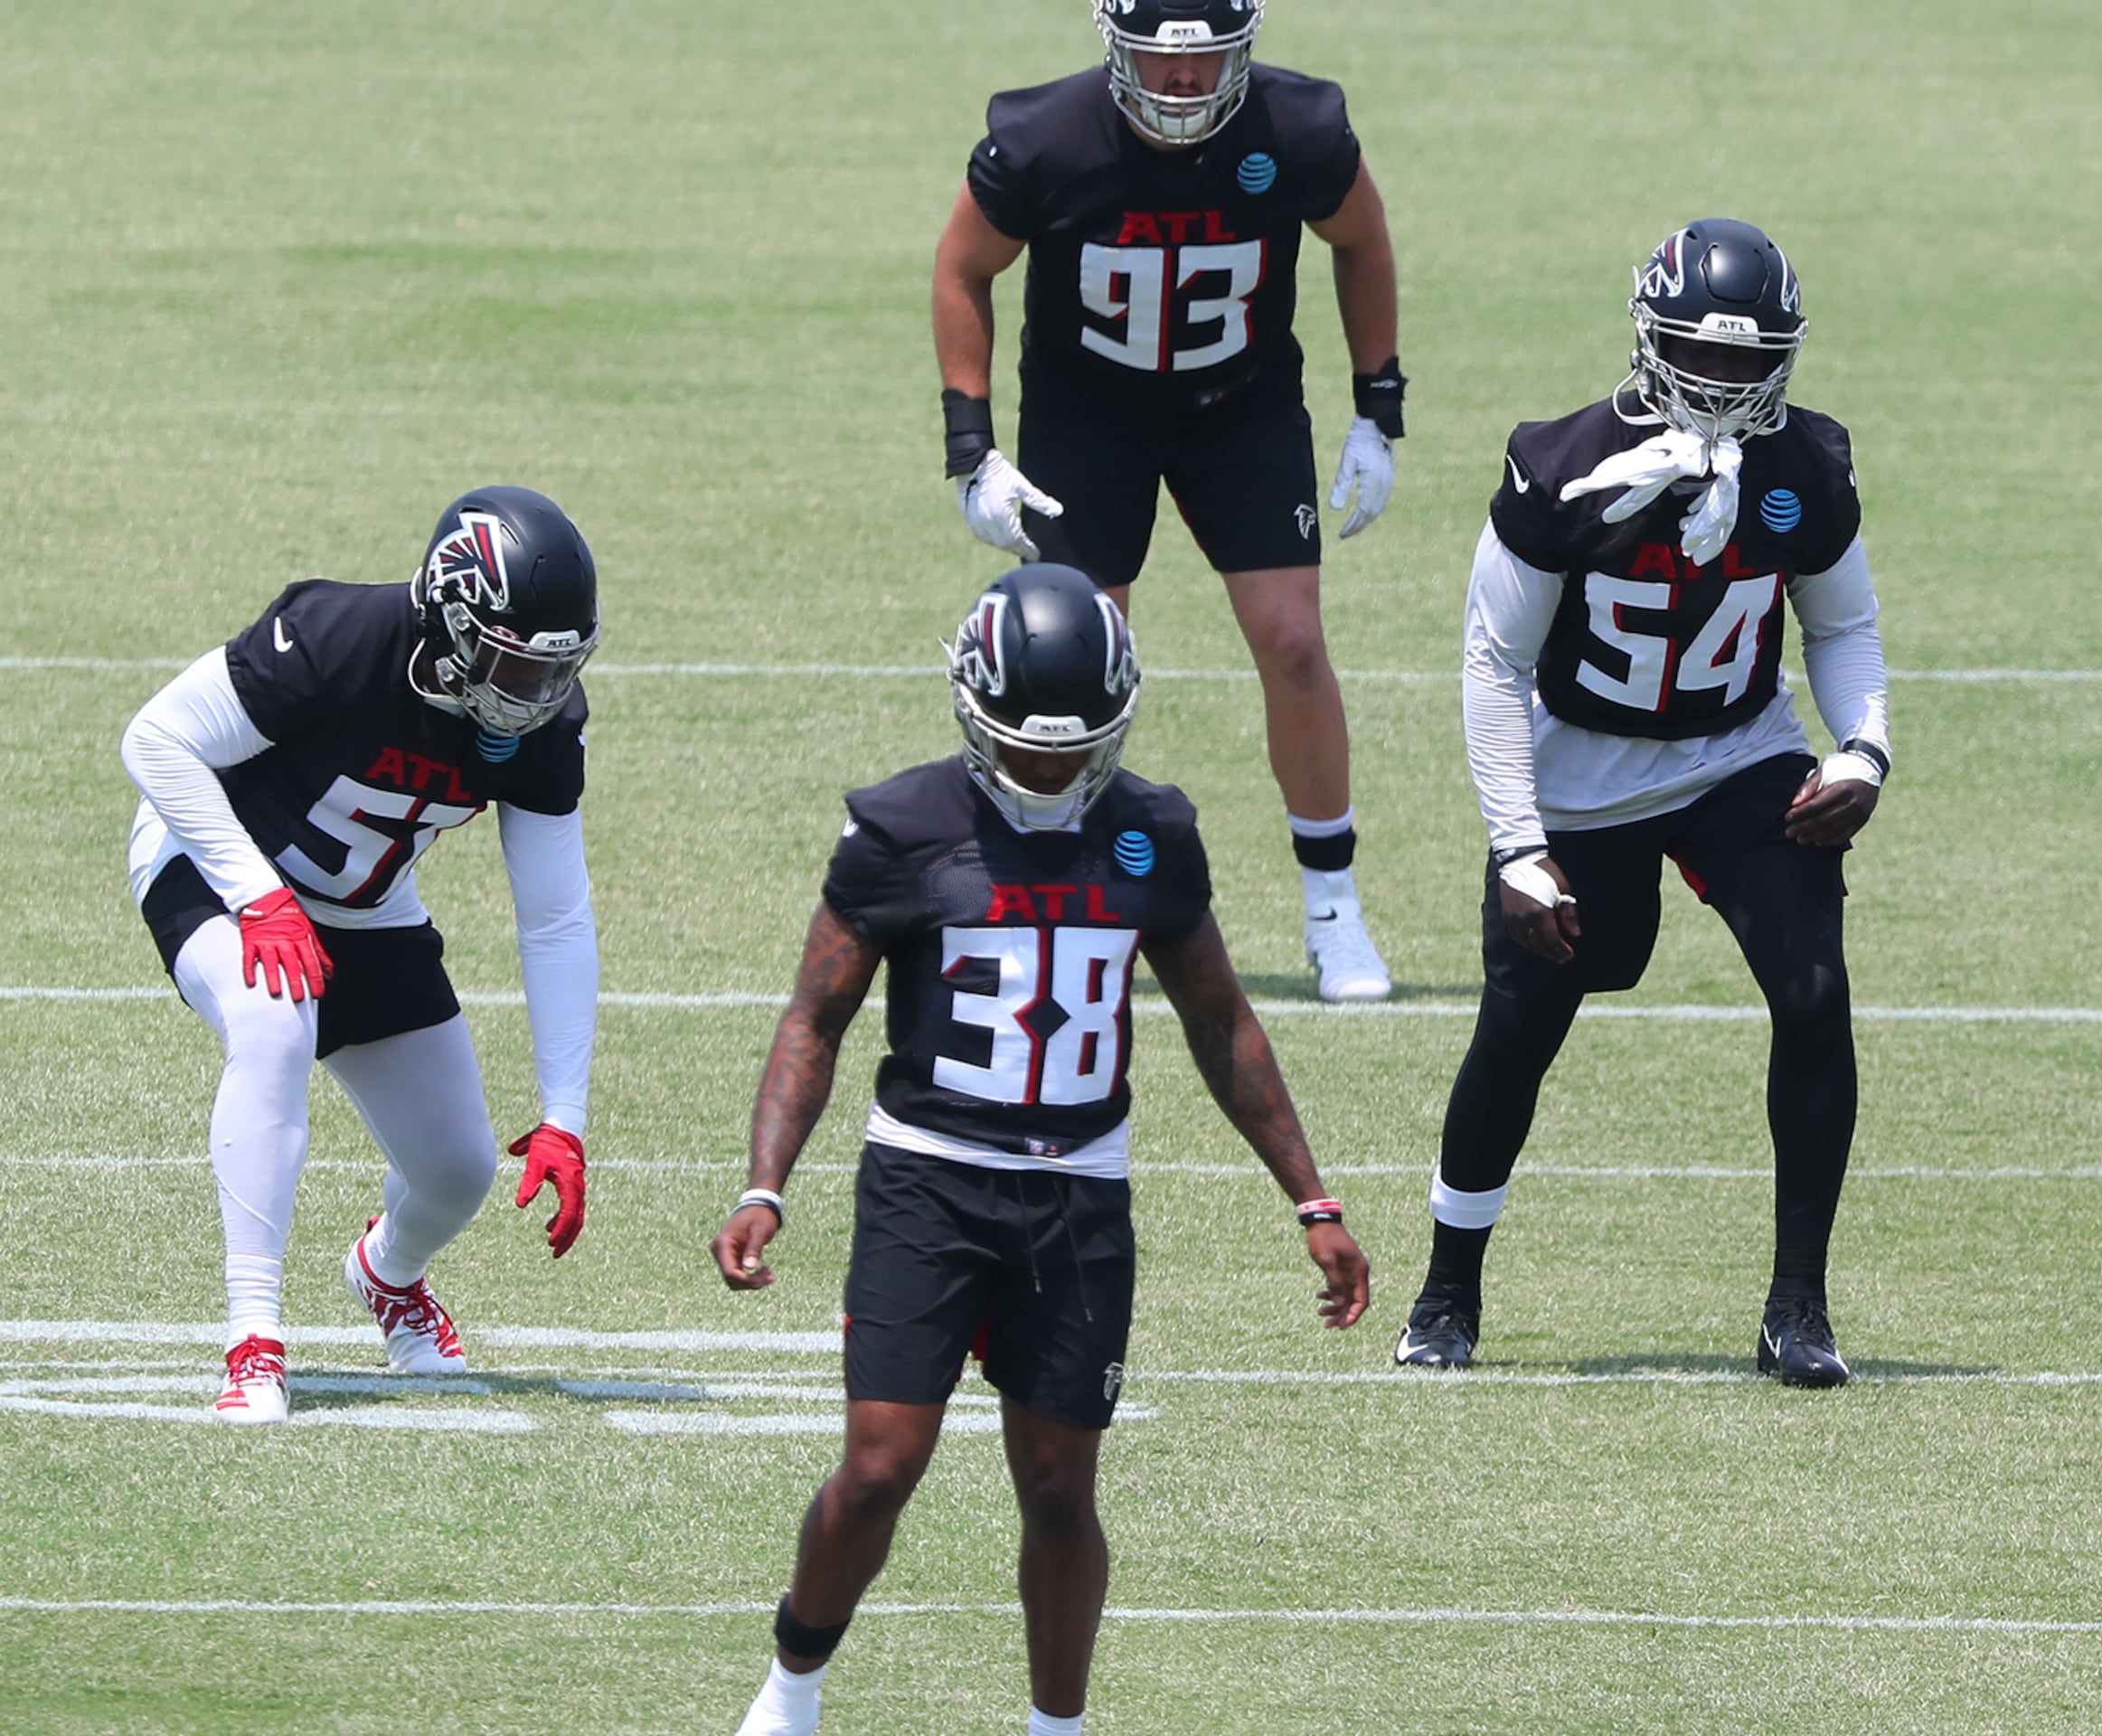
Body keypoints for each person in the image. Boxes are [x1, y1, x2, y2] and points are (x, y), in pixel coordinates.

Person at [714, 561, 1368, 1736]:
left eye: (1075, 748)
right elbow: (817, 1015)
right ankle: (792, 1686)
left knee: (1062, 1488)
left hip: (1077, 1196)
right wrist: (767, 1181)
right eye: (1026, 744)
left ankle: (1054, 1730)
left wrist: (1312, 1200)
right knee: (877, 1469)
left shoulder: (1151, 835)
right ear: (972, 709)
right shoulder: (903, 827)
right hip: (926, 1179)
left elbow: (1221, 1019)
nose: (1051, 769)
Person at [1392, 219, 1890, 1385]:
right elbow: (1492, 663)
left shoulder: (1806, 463)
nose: (1726, 380)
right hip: (1581, 779)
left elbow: (1844, 623)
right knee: (1525, 1024)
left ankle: (1798, 1307)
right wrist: (1518, 846)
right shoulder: (1561, 464)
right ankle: (1448, 1291)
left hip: (1737, 758)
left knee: (1815, 989)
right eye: (1701, 355)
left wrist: (1863, 753)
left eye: (1752, 358)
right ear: (1650, 340)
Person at [933, 0, 1405, 1001]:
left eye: (1204, 52)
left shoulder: (1299, 127)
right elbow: (961, 270)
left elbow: (1360, 240)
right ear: (1116, 45)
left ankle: (1333, 907)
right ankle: (1061, 894)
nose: (1183, 77)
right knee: (1072, 658)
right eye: (1158, 55)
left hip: (1237, 408)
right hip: (1085, 412)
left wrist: (1376, 407)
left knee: (1293, 641)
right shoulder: (1044, 137)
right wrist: (974, 449)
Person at [118, 486, 602, 1424]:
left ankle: (388, 1275)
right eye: (512, 664)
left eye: (555, 671)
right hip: (216, 865)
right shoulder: (340, 633)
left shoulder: (542, 729)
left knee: (459, 1169)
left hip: (366, 908)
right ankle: (253, 1341)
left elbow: (553, 916)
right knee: (273, 1022)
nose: (536, 695)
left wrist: (565, 1115)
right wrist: (259, 899)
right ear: (455, 623)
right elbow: (159, 742)